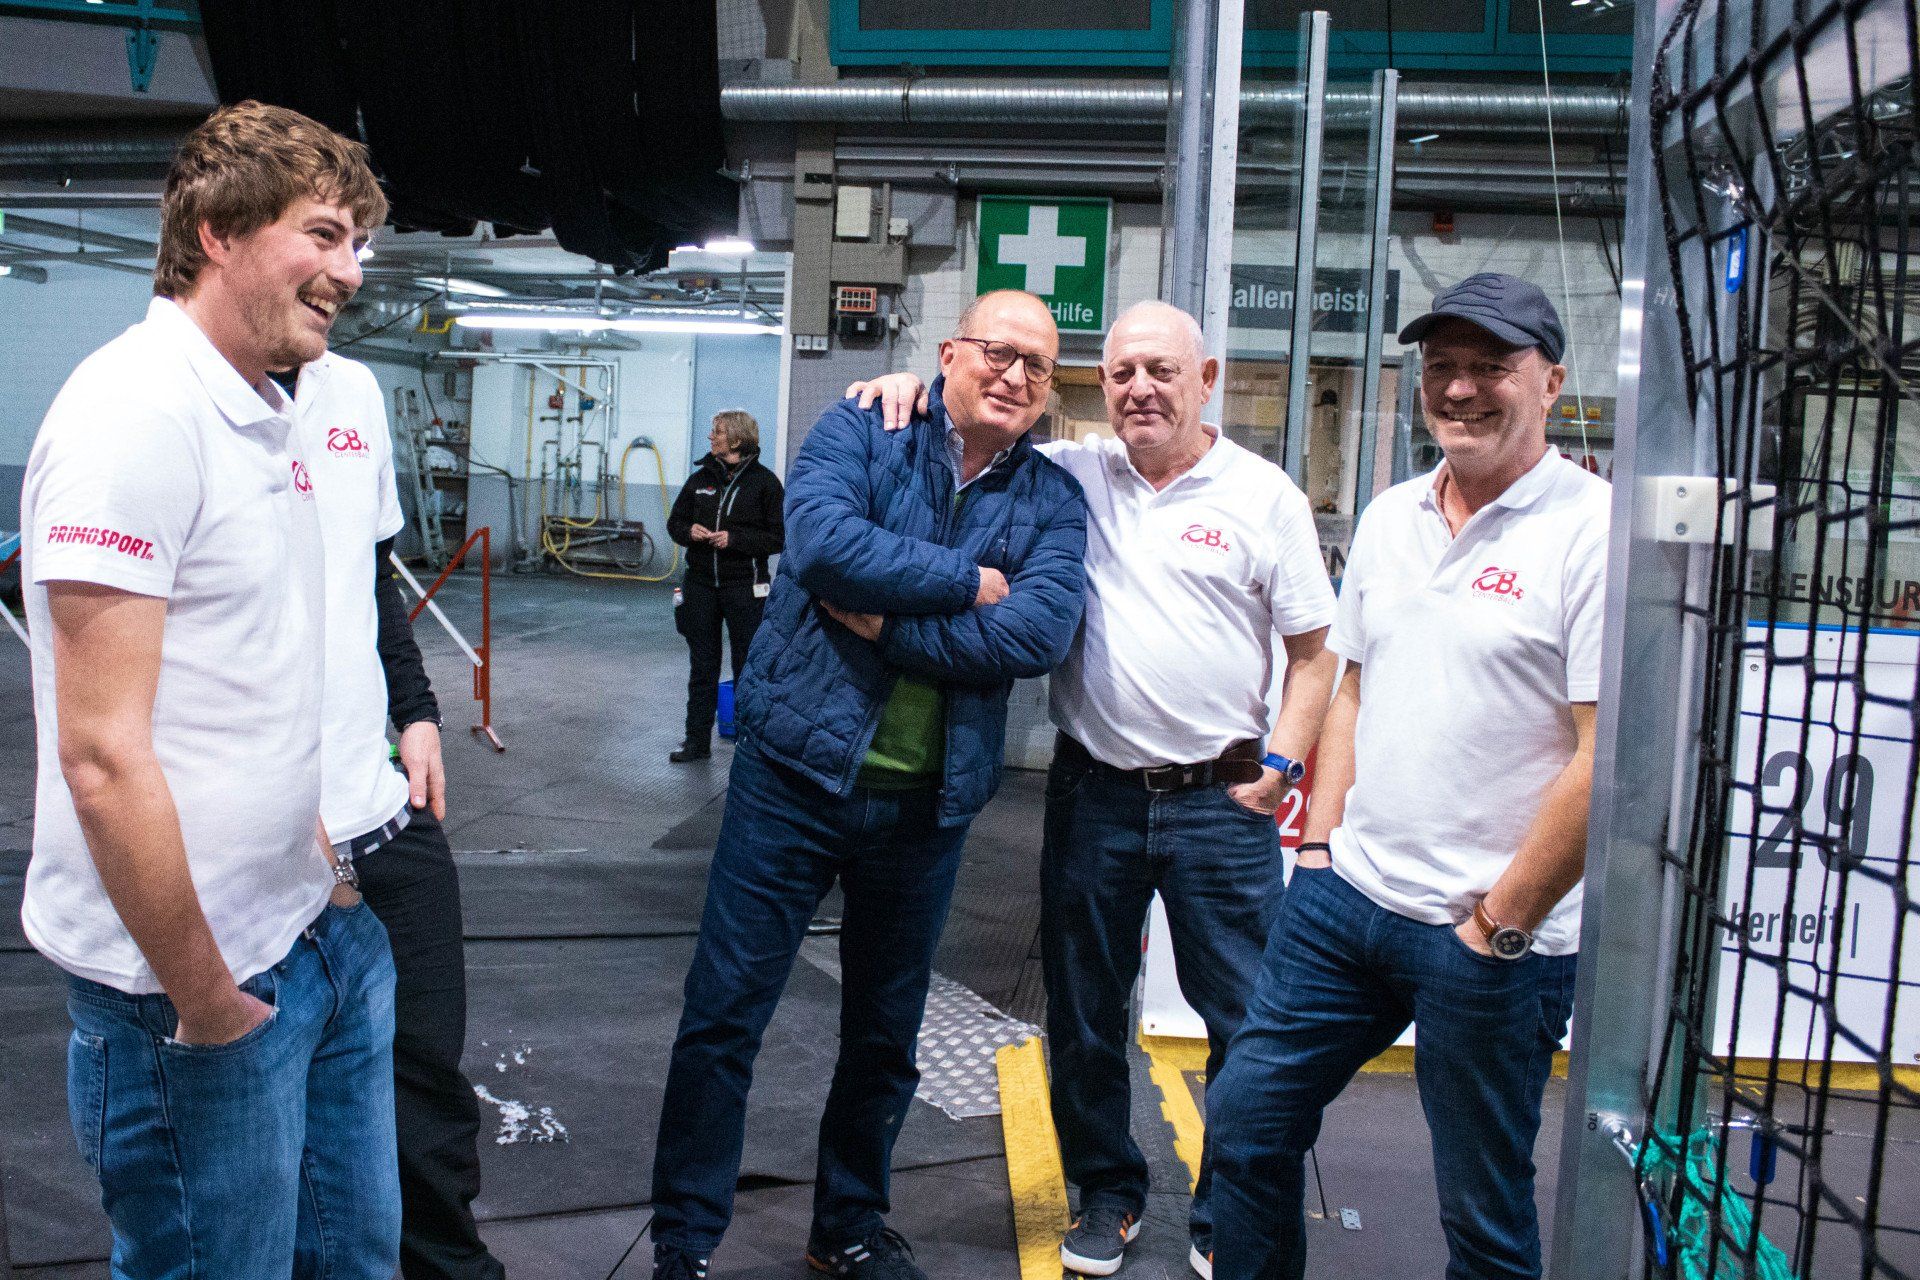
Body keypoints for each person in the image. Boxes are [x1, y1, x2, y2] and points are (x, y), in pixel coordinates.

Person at [851, 300, 1339, 1280]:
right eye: (1121, 373)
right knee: (1083, 1015)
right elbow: (973, 426)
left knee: (1249, 1023)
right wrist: (909, 385)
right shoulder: (1070, 474)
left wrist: (1283, 765)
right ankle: (1109, 1190)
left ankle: (1227, 1208)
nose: (1139, 390)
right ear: (1102, 384)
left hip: (1221, 799)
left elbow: (1316, 654)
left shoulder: (1264, 496)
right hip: (1094, 794)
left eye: (1162, 371)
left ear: (1206, 379)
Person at [17, 101, 401, 1276]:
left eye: (357, 244)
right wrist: (208, 1001)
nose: (351, 271)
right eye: (323, 234)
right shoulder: (134, 415)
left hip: (312, 927)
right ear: (219, 231)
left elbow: (267, 675)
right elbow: (101, 755)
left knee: (355, 1257)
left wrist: (328, 869)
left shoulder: (268, 411)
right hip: (192, 991)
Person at [648, 289, 1089, 1280]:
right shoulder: (864, 426)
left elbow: (1034, 635)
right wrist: (969, 583)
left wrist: (888, 622)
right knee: (724, 1013)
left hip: (927, 807)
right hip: (791, 780)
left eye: (1038, 364)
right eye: (999, 351)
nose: (1016, 375)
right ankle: (684, 1237)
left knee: (885, 1037)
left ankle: (846, 1226)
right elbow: (821, 548)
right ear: (951, 352)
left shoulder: (1055, 502)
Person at [1204, 273, 1609, 1280]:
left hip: (1493, 940)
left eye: (1491, 367)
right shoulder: (1391, 515)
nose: (1460, 388)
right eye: (1441, 367)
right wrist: (1317, 848)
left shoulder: (1595, 532)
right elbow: (1353, 686)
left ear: (1551, 382)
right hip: (1346, 905)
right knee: (1246, 1128)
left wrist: (1498, 924)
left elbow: (1605, 759)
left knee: (1482, 1215)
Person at [275, 350, 503, 1280]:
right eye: (323, 256)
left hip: (384, 822)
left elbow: (372, 581)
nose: (350, 279)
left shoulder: (354, 390)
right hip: (268, 849)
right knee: (277, 1132)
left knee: (425, 1087)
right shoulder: (158, 405)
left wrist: (416, 712)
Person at [666, 409, 785, 762]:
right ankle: (696, 742)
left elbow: (778, 538)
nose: (711, 437)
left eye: (717, 432)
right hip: (701, 585)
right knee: (702, 665)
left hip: (745, 588)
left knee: (748, 665)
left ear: (736, 439)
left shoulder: (765, 484)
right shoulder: (699, 480)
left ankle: (748, 745)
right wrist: (689, 531)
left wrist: (735, 540)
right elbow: (675, 523)